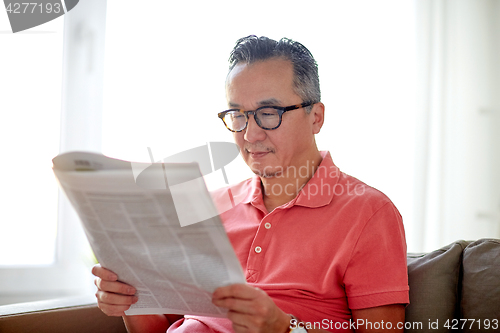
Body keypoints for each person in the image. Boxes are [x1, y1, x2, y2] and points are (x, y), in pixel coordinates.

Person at [92, 35, 409, 332]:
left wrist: (284, 328)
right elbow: (166, 326)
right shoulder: (209, 206)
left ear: (316, 117)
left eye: (269, 113)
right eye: (238, 114)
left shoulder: (369, 213)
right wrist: (130, 303)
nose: (250, 135)